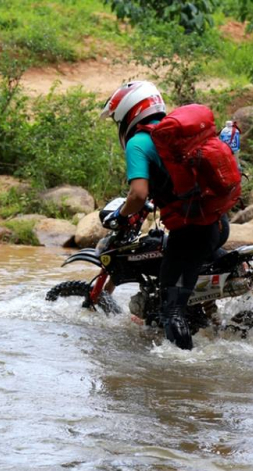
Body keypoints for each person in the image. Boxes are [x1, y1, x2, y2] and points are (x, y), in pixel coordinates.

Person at [100, 81, 230, 350]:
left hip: (191, 234)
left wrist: (122, 216)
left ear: (129, 113)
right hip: (218, 225)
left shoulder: (139, 142)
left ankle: (185, 373)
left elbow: (137, 195)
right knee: (185, 283)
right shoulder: (176, 135)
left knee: (171, 308)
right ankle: (208, 321)